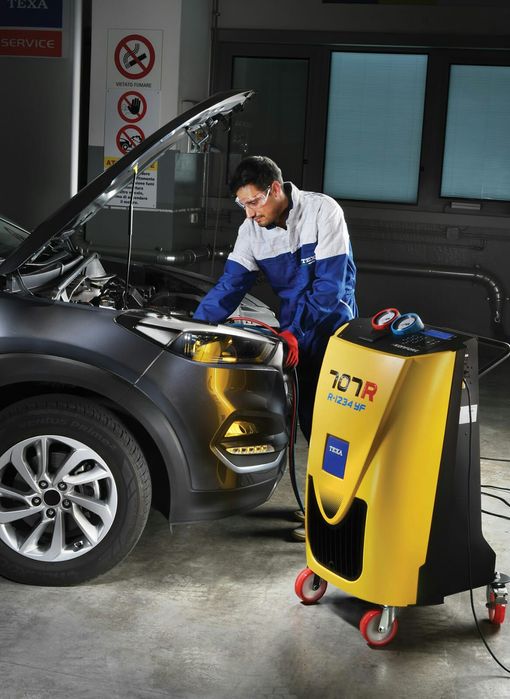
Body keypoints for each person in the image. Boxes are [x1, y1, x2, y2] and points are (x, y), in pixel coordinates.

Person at [194, 156, 357, 539]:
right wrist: (195, 325)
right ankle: (321, 507)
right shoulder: (251, 231)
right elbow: (231, 286)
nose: (250, 213)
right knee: (304, 420)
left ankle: (336, 516)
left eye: (253, 202)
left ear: (276, 189)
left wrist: (296, 332)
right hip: (293, 335)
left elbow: (330, 289)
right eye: (242, 205)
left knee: (332, 426)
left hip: (333, 331)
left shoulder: (323, 211)